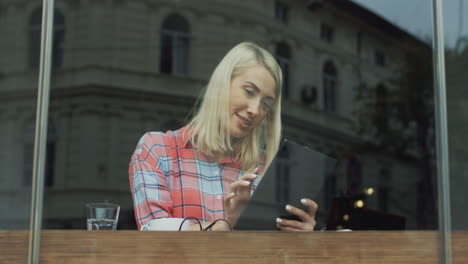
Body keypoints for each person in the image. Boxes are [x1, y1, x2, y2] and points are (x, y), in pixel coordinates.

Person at [129, 42, 318, 231]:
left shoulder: (266, 167)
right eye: (249, 92)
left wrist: (300, 242)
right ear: (222, 84)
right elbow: (154, 236)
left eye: (266, 104)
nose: (255, 110)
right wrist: (222, 227)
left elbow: (272, 253)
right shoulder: (157, 149)